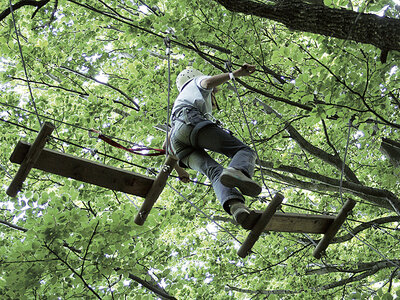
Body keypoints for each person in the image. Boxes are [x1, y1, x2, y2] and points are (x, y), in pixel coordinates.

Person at [168, 63, 262, 230]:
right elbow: (207, 83)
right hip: (191, 122)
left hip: (179, 143)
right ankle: (238, 171)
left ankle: (237, 208)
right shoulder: (194, 82)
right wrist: (236, 73)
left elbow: (167, 146)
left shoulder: (178, 104)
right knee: (243, 151)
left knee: (215, 173)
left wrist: (179, 170)